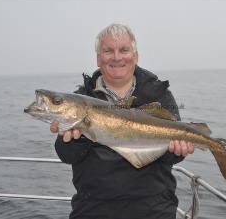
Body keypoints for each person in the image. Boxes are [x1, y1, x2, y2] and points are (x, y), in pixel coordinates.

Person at [50, 23, 194, 219]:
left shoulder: (160, 95)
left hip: (154, 209)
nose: (117, 57)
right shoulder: (80, 99)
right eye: (108, 51)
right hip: (93, 210)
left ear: (135, 56)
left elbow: (170, 156)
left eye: (124, 50)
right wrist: (78, 138)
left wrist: (177, 152)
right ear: (99, 59)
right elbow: (67, 155)